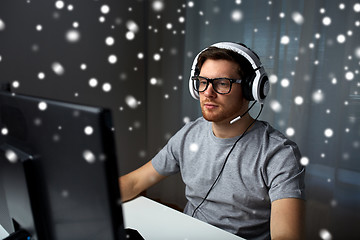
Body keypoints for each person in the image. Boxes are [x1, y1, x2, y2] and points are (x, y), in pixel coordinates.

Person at [119, 42, 306, 240]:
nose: (208, 92)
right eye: (202, 81)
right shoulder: (189, 134)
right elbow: (134, 182)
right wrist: (93, 200)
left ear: (251, 89)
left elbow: (286, 236)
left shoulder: (279, 154)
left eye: (222, 83)